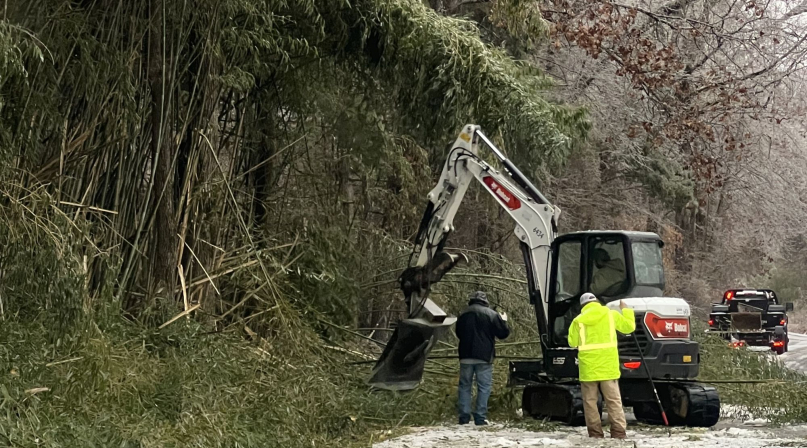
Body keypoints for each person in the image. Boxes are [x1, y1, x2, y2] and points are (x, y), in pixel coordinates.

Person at [568, 292, 635, 439]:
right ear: (597, 302)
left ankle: (595, 433)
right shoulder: (610, 315)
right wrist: (626, 310)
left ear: (582, 306)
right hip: (608, 367)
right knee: (613, 401)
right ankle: (618, 432)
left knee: (590, 402)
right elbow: (629, 327)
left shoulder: (578, 321)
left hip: (588, 369)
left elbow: (572, 342)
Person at [454, 291, 510, 425]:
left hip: (465, 355)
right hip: (484, 356)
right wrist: (504, 321)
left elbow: (458, 333)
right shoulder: (491, 314)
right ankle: (480, 417)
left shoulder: (463, 314)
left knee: (464, 385)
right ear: (485, 301)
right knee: (484, 386)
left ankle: (464, 416)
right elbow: (502, 334)